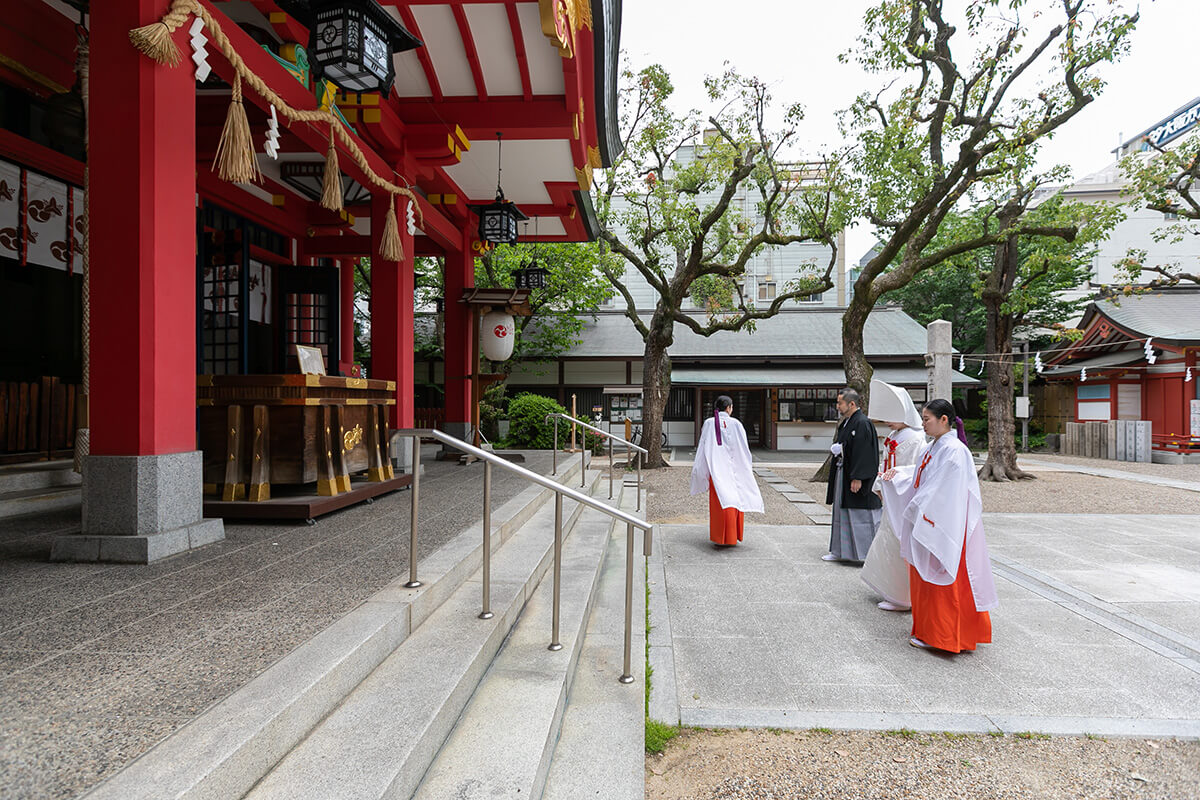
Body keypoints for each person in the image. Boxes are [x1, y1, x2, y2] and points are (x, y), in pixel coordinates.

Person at [877, 399, 999, 652]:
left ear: (944, 420)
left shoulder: (954, 450)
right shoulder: (933, 447)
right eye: (922, 419)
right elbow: (919, 473)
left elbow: (942, 489)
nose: (923, 424)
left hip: (945, 524)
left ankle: (945, 635)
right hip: (930, 519)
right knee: (926, 581)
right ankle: (929, 630)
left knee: (943, 581)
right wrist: (897, 474)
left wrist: (916, 509)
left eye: (927, 419)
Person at [861, 380, 926, 612]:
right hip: (892, 492)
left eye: (892, 415)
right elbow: (885, 463)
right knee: (888, 537)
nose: (887, 420)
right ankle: (888, 587)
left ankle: (902, 595)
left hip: (903, 494)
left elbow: (913, 470)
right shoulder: (896, 434)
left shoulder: (916, 438)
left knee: (900, 539)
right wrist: (881, 484)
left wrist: (891, 480)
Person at [689, 395, 763, 547]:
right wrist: (746, 466)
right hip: (735, 468)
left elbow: (703, 447)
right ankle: (733, 535)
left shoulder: (709, 423)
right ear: (729, 407)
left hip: (716, 469)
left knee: (720, 503)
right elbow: (743, 447)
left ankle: (720, 537)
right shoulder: (736, 423)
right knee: (735, 500)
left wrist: (700, 470)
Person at [823, 388, 881, 563]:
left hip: (854, 475)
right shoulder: (847, 422)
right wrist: (841, 448)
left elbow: (864, 452)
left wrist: (858, 477)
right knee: (841, 511)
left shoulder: (862, 423)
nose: (837, 406)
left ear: (852, 404)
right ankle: (840, 551)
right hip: (844, 472)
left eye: (840, 403)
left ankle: (864, 554)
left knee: (860, 515)